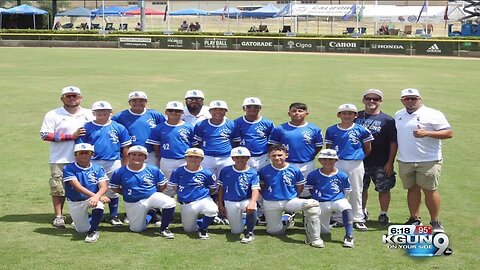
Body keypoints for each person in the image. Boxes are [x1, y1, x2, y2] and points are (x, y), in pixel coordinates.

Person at [395, 88, 452, 233]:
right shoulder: (398, 114)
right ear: (402, 100)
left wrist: (427, 133)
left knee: (430, 190)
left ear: (420, 99)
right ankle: (414, 219)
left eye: (413, 98)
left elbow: (448, 133)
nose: (410, 101)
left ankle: (435, 222)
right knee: (412, 189)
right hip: (405, 159)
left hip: (428, 160)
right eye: (407, 99)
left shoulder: (433, 114)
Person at [40, 86, 94, 228]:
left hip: (85, 158)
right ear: (62, 98)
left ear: (81, 97)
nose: (72, 98)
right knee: (58, 187)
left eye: (75, 95)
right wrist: (71, 136)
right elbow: (45, 135)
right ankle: (59, 216)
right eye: (68, 96)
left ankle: (83, 214)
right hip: (61, 158)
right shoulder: (53, 114)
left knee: (85, 185)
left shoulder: (89, 113)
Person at [76, 101, 132, 226]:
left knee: (113, 188)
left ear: (110, 112)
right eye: (99, 111)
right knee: (92, 188)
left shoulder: (118, 127)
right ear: (93, 113)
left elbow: (125, 147)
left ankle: (113, 215)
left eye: (105, 111)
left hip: (113, 161)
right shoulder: (87, 127)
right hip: (93, 162)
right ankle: (94, 214)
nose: (102, 113)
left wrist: (125, 164)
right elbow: (81, 146)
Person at [258, 145, 323, 248]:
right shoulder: (264, 171)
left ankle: (315, 238)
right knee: (274, 231)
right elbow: (261, 187)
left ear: (286, 155)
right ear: (269, 156)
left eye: (280, 155)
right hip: (271, 202)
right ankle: (286, 221)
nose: (277, 158)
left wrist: (293, 196)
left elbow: (300, 186)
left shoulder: (294, 169)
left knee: (312, 206)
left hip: (290, 201)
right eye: (274, 155)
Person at [109, 146, 176, 238]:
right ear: (128, 156)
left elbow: (163, 185)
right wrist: (126, 193)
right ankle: (151, 214)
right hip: (133, 202)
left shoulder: (153, 169)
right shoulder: (120, 172)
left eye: (140, 155)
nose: (137, 157)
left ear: (146, 157)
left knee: (170, 202)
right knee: (137, 229)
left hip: (151, 197)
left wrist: (155, 193)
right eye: (134, 155)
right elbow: (114, 187)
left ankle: (164, 228)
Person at [325, 104, 373, 231]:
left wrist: (357, 157)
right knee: (337, 189)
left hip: (355, 162)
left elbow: (367, 148)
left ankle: (357, 218)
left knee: (356, 190)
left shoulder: (361, 130)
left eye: (350, 113)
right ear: (339, 115)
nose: (347, 116)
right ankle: (338, 218)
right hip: (338, 162)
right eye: (344, 113)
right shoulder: (331, 130)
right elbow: (329, 148)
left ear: (356, 115)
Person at [355, 89, 397, 226]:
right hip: (360, 160)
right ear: (363, 100)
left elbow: (393, 142)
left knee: (383, 189)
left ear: (380, 101)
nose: (371, 101)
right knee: (361, 188)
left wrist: (390, 162)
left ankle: (383, 214)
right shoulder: (355, 117)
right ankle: (362, 211)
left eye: (375, 99)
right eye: (368, 98)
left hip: (381, 161)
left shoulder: (388, 120)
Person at [268, 102, 323, 198]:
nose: (297, 113)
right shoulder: (280, 129)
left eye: (300, 111)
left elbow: (318, 146)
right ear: (289, 113)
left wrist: (309, 155)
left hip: (307, 163)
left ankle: (306, 211)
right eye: (294, 111)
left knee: (306, 189)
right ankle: (289, 211)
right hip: (287, 163)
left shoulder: (314, 129)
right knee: (287, 186)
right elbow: (274, 146)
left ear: (306, 113)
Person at [306, 149, 354, 248]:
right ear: (320, 160)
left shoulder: (342, 175)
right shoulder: (313, 175)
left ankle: (349, 235)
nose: (327, 162)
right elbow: (310, 189)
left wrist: (336, 198)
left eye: (330, 159)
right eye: (324, 159)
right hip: (321, 202)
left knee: (347, 207)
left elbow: (346, 191)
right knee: (324, 232)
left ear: (336, 160)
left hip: (337, 200)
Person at [168, 148, 218, 240]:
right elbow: (175, 187)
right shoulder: (178, 171)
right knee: (189, 229)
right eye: (190, 157)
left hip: (202, 199)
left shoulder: (207, 173)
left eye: (197, 157)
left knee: (212, 209)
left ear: (202, 159)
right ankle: (202, 221)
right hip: (186, 203)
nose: (193, 159)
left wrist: (201, 195)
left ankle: (203, 229)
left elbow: (212, 188)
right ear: (185, 158)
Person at [63, 143, 109, 243]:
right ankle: (87, 220)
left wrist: (96, 197)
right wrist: (97, 196)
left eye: (87, 152)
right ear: (75, 154)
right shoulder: (68, 168)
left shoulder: (98, 168)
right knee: (81, 230)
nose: (84, 155)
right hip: (75, 201)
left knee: (99, 206)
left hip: (90, 199)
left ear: (92, 154)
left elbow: (104, 186)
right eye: (80, 153)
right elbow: (77, 187)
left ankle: (93, 232)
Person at [146, 101, 194, 196]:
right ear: (166, 112)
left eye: (177, 111)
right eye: (171, 110)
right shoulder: (159, 127)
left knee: (186, 184)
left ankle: (187, 205)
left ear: (182, 112)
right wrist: (161, 157)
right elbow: (156, 146)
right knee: (167, 186)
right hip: (167, 160)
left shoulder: (189, 127)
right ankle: (167, 208)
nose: (174, 113)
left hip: (185, 160)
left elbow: (193, 145)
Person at [217, 147, 260, 244]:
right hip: (230, 201)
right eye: (237, 157)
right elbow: (221, 188)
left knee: (252, 207)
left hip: (246, 199)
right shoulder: (225, 170)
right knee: (236, 230)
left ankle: (249, 232)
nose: (240, 160)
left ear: (248, 158)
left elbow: (255, 189)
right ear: (232, 158)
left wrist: (253, 202)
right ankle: (246, 220)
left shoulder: (253, 171)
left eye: (243, 157)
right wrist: (220, 204)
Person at [111, 91, 165, 167]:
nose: (138, 103)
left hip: (151, 154)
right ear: (129, 103)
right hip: (130, 154)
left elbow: (164, 130)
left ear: (146, 102)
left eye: (141, 100)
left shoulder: (155, 115)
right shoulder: (119, 116)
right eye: (134, 101)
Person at [193, 100, 236, 178]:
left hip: (226, 158)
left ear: (226, 111)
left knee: (225, 180)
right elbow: (197, 143)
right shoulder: (201, 125)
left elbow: (235, 142)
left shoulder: (232, 125)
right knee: (207, 180)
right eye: (215, 109)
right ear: (210, 111)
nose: (218, 112)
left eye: (221, 109)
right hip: (207, 158)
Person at [233, 97, 274, 170]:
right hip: (244, 157)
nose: (252, 109)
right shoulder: (237, 123)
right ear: (244, 108)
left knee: (264, 179)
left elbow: (272, 141)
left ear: (260, 108)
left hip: (263, 157)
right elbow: (235, 142)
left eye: (255, 107)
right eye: (249, 106)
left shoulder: (268, 123)